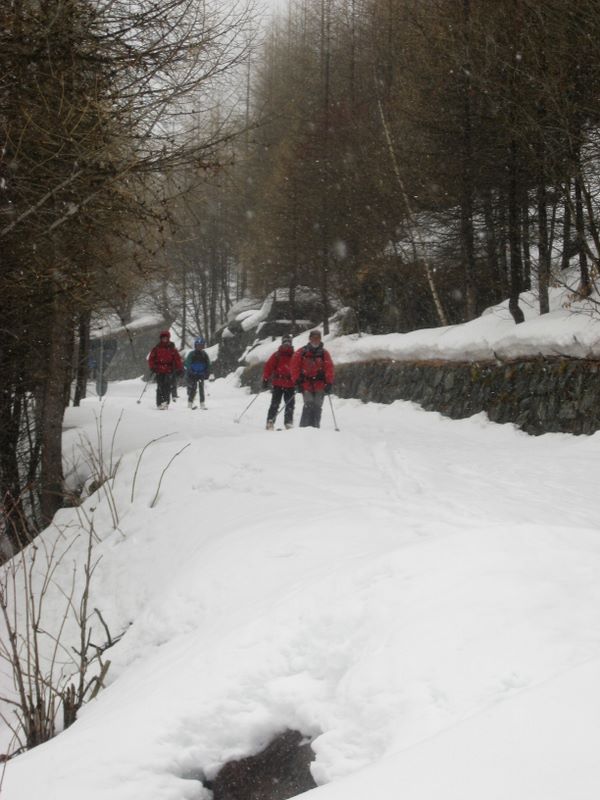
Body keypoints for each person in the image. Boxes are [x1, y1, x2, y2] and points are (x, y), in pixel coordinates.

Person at [290, 329, 334, 428]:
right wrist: (297, 382)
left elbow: (329, 368)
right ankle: (304, 426)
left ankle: (315, 426)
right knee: (309, 404)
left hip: (320, 384)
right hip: (306, 384)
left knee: (318, 406)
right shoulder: (301, 352)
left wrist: (329, 382)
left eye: (318, 338)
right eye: (314, 338)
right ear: (310, 339)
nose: (316, 340)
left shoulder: (324, 353)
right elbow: (294, 367)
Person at [262, 335, 295, 430]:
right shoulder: (277, 355)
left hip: (290, 384)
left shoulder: (294, 355)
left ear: (291, 344)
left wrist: (300, 380)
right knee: (275, 404)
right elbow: (268, 366)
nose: (286, 345)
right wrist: (265, 379)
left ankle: (288, 422)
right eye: (285, 343)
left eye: (288, 343)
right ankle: (270, 422)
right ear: (282, 343)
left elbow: (298, 368)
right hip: (278, 384)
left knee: (290, 405)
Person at [148, 330, 183, 409]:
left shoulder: (172, 348)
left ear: (168, 338)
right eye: (163, 338)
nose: (164, 339)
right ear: (161, 338)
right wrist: (152, 367)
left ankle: (166, 402)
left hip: (169, 370)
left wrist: (179, 368)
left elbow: (177, 359)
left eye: (166, 338)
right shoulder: (156, 348)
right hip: (159, 370)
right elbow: (151, 359)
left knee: (167, 387)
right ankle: (159, 403)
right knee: (160, 386)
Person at [184, 336, 211, 409]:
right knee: (193, 388)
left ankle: (202, 403)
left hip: (201, 374)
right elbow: (187, 363)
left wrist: (207, 372)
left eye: (201, 346)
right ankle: (190, 402)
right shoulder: (192, 354)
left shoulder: (204, 354)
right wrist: (191, 371)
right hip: (193, 374)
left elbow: (208, 364)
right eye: (198, 345)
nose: (199, 347)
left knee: (201, 388)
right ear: (195, 346)